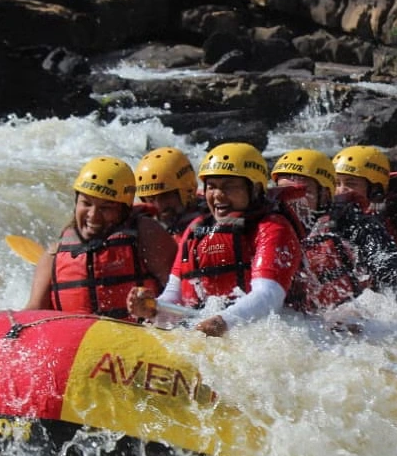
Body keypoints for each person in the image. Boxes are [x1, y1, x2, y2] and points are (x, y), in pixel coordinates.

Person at [127, 142, 302, 337]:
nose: (217, 195)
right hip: (212, 331)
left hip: (268, 334)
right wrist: (153, 308)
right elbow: (174, 295)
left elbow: (269, 296)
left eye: (229, 186)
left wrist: (223, 322)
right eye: (211, 187)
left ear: (254, 188)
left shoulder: (273, 228)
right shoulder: (195, 230)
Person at [272, 148, 397, 318]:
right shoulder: (268, 226)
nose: (292, 201)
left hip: (348, 316)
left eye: (303, 192)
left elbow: (385, 260)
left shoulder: (350, 220)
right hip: (294, 321)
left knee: (351, 317)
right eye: (285, 193)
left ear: (324, 194)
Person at [24, 156, 178, 320]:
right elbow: (33, 313)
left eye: (105, 208)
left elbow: (183, 299)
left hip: (138, 337)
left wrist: (154, 308)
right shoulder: (55, 253)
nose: (93, 216)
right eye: (86, 203)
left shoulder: (147, 234)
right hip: (78, 341)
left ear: (123, 211)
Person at [331, 145, 397, 291]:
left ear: (375, 190)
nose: (341, 191)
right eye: (337, 183)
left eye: (351, 183)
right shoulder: (340, 218)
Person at [133, 146, 205, 236]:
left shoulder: (210, 220)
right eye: (151, 198)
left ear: (187, 189)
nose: (159, 206)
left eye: (165, 196)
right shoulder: (139, 223)